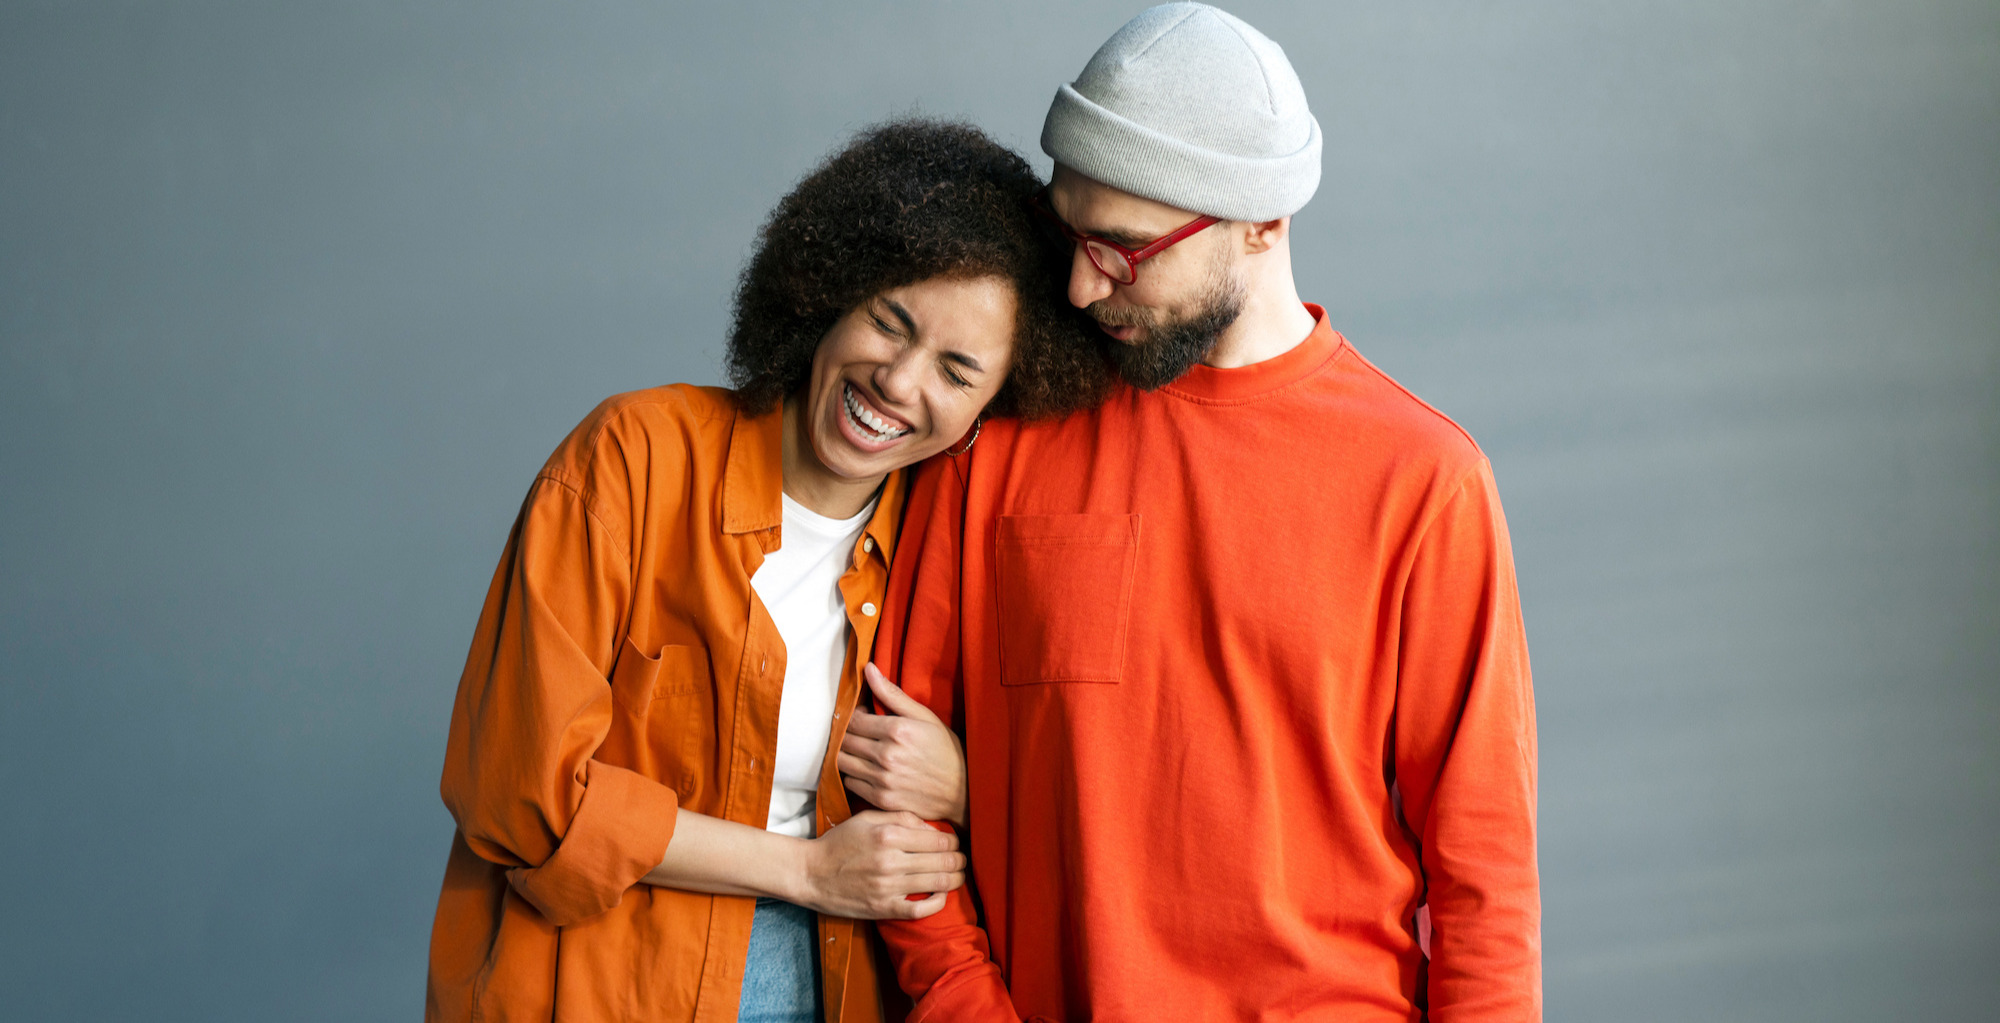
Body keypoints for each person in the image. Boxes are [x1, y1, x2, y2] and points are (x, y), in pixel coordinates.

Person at [865, 5, 1542, 1021]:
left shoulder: (1423, 480)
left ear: (1259, 223)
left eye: (1124, 249)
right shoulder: (992, 436)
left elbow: (1483, 880)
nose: (1084, 288)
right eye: (1069, 234)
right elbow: (894, 802)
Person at [425, 119, 1107, 1023]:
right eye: (889, 320)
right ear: (831, 289)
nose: (900, 382)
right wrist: (809, 871)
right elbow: (517, 794)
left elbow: (1088, 810)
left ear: (1000, 399)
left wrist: (967, 788)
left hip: (838, 982)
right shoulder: (630, 459)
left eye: (955, 369)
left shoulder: (944, 551)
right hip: (598, 977)